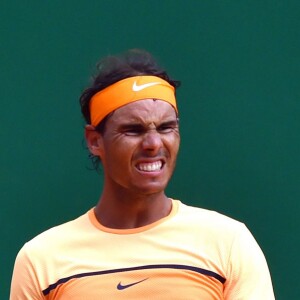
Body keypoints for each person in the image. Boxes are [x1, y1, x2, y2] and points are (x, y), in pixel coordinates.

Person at [10, 49, 275, 299]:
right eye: (133, 130)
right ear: (95, 141)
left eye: (166, 127)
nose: (154, 144)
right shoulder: (41, 259)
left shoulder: (229, 243)